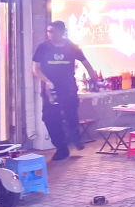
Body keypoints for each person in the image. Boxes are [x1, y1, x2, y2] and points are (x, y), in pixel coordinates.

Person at [32, 21, 98, 160]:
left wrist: (94, 79)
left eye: (53, 31)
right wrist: (47, 81)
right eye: (48, 31)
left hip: (68, 88)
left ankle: (75, 137)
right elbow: (35, 69)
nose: (50, 34)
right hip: (50, 90)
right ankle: (61, 148)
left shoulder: (72, 47)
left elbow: (86, 64)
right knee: (50, 118)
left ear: (62, 32)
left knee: (70, 116)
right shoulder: (43, 47)